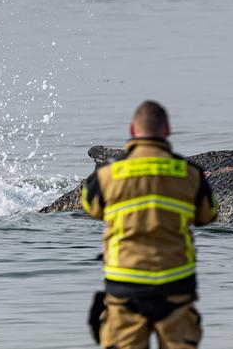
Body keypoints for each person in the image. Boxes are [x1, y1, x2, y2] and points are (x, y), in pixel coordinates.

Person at [82, 100, 218, 349]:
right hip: (175, 285)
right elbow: (208, 215)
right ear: (167, 130)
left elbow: (91, 208)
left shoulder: (109, 174)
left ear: (132, 130)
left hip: (125, 285)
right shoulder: (189, 172)